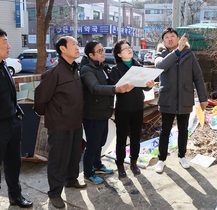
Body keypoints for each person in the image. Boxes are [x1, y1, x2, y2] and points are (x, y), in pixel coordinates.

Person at [34, 36, 87, 209]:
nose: (78, 47)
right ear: (62, 49)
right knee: (58, 159)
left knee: (74, 154)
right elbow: (40, 98)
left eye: (78, 44)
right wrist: (51, 115)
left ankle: (71, 179)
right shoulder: (54, 71)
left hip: (75, 121)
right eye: (74, 44)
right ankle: (55, 192)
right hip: (59, 123)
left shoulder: (74, 69)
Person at [154, 28, 208, 173]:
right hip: (167, 98)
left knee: (183, 130)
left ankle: (182, 156)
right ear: (163, 41)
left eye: (173, 36)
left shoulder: (189, 54)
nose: (170, 39)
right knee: (165, 130)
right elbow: (161, 66)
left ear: (178, 39)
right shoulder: (160, 55)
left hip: (185, 97)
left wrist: (203, 98)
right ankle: (161, 159)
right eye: (166, 37)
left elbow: (198, 76)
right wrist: (177, 51)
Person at [80, 41, 134, 184]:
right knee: (92, 144)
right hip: (92, 114)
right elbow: (95, 88)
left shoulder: (102, 67)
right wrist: (116, 89)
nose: (103, 53)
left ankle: (97, 165)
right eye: (99, 51)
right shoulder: (87, 69)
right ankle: (88, 173)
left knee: (100, 142)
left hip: (104, 112)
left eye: (103, 50)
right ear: (91, 55)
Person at [109, 39, 154, 179]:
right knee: (121, 138)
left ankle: (134, 162)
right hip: (123, 108)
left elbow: (145, 87)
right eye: (125, 48)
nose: (129, 49)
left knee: (136, 136)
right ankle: (120, 164)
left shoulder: (138, 66)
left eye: (129, 47)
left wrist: (150, 84)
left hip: (137, 106)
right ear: (119, 54)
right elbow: (113, 88)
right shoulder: (115, 70)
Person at [0, 28, 33, 208]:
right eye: (5, 41)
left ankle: (16, 196)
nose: (9, 45)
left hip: (12, 122)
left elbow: (9, 94)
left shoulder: (4, 64)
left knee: (14, 164)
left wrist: (17, 111)